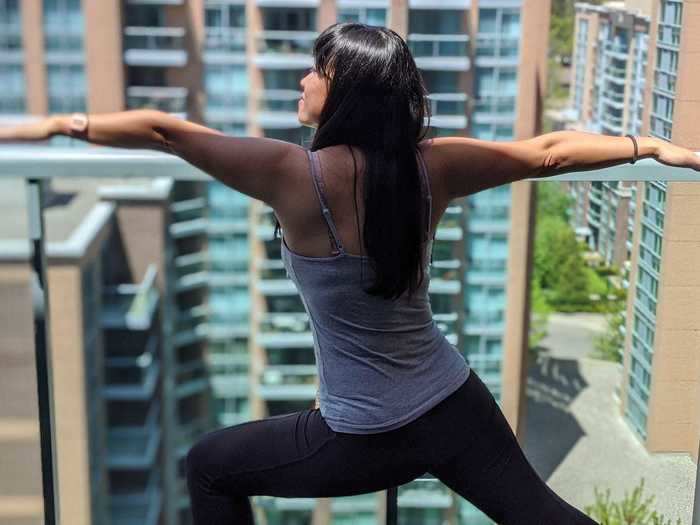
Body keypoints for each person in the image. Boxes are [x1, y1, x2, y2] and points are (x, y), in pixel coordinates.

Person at [2, 21, 699, 525]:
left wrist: (55, 126)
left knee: (209, 466)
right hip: (453, 403)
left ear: (344, 91)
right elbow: (546, 152)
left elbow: (164, 131)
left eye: (317, 69)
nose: (304, 79)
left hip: (365, 436)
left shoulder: (293, 174)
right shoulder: (433, 166)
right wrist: (652, 144)